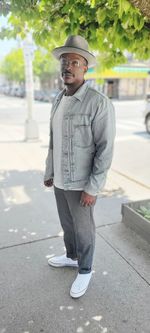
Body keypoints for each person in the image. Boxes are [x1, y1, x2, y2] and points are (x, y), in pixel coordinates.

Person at [44, 35, 115, 298]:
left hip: (82, 183)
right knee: (68, 224)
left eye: (75, 61)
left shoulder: (98, 103)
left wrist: (93, 187)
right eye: (64, 61)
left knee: (84, 229)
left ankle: (85, 270)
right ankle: (71, 256)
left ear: (85, 67)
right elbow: (53, 142)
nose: (68, 67)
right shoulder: (58, 99)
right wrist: (49, 172)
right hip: (61, 181)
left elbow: (105, 149)